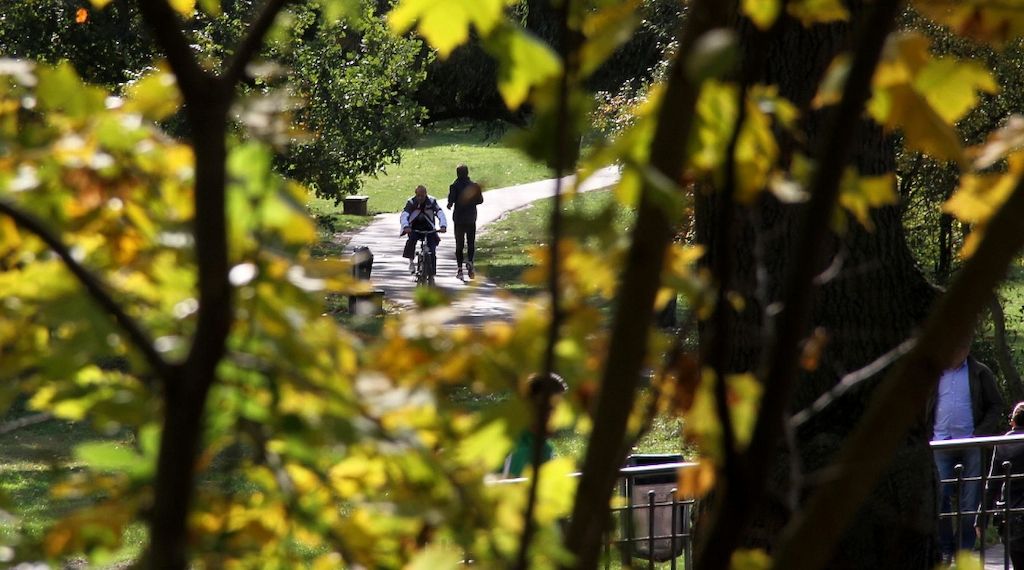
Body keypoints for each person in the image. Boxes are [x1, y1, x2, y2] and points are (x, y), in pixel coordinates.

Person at [929, 338, 1004, 563]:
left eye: (959, 347)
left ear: (966, 349)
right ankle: (945, 547)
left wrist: (980, 434)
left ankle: (963, 550)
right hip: (941, 443)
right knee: (940, 496)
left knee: (970, 501)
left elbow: (995, 405)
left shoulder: (980, 372)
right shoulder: (934, 374)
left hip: (971, 444)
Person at [979, 402, 1024, 568]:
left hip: (1010, 518)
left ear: (1012, 422)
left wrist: (981, 518)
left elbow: (992, 484)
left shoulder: (1002, 444)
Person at [446, 164, 483, 280]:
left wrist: (451, 203)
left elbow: (450, 203)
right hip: (471, 217)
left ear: (457, 173)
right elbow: (480, 200)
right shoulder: (474, 186)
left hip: (459, 218)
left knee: (459, 244)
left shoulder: (454, 186)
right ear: (467, 173)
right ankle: (470, 262)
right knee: (471, 242)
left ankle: (459, 269)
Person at [400, 185, 447, 274]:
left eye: (422, 195)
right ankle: (411, 262)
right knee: (411, 241)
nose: (420, 198)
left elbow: (440, 213)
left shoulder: (432, 201)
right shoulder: (411, 202)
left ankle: (432, 272)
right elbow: (404, 215)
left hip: (429, 228)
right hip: (414, 228)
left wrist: (443, 225)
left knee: (432, 249)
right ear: (415, 194)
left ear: (426, 194)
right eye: (418, 195)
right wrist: (406, 226)